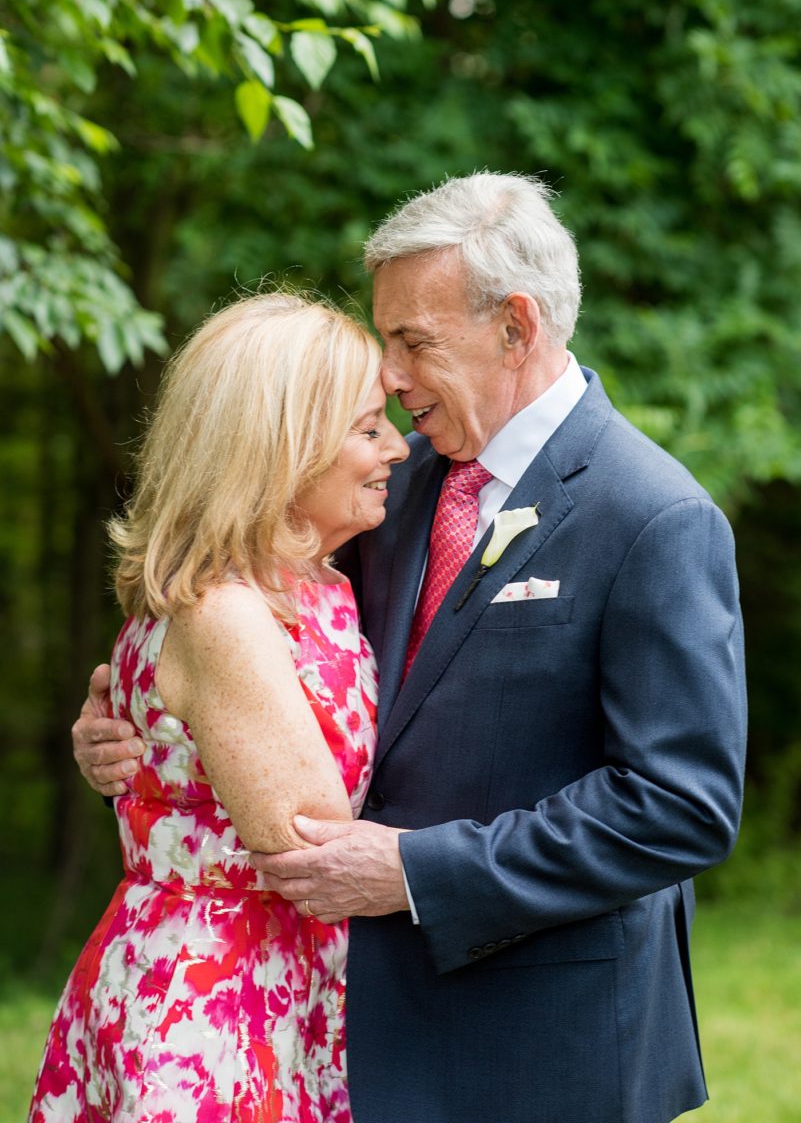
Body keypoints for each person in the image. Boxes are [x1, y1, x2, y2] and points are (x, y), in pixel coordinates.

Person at [73, 173, 747, 1123]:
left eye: (413, 341)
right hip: (351, 1019)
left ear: (516, 327)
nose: (388, 377)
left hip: (547, 1035)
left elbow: (679, 806)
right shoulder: (389, 487)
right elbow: (255, 633)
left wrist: (420, 873)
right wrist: (131, 733)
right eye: (384, 338)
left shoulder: (653, 515)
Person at [31, 291, 408, 1123]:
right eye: (367, 426)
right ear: (283, 447)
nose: (397, 447)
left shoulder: (313, 585)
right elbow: (308, 840)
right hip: (220, 996)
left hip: (277, 974)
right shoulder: (225, 611)